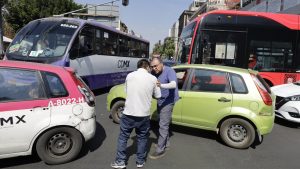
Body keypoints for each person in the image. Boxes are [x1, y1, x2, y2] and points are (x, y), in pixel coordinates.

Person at [111, 59, 161, 169]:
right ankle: (140, 162)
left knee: (123, 137)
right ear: (147, 67)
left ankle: (120, 162)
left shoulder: (130, 76)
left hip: (129, 113)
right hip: (143, 115)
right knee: (142, 138)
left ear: (138, 66)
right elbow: (158, 96)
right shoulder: (153, 79)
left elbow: (126, 91)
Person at [149, 57, 179, 159]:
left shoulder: (169, 71)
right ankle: (166, 144)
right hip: (160, 100)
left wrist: (161, 85)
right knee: (162, 123)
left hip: (168, 101)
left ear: (161, 64)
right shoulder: (154, 72)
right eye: (152, 67)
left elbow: (173, 84)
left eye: (156, 66)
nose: (154, 68)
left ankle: (160, 150)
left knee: (163, 125)